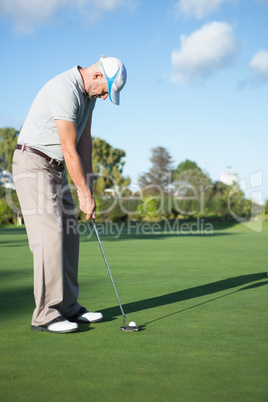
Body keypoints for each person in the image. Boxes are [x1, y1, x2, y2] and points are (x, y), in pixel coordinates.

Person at [12, 56, 127, 334]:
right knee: (50, 236)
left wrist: (87, 188)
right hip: (33, 164)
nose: (103, 98)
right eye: (104, 92)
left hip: (57, 169)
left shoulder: (87, 97)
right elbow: (67, 146)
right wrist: (82, 194)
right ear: (98, 76)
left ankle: (69, 307)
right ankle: (46, 315)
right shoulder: (65, 89)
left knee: (70, 232)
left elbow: (84, 143)